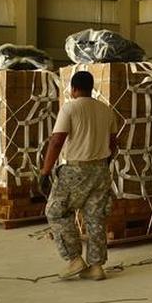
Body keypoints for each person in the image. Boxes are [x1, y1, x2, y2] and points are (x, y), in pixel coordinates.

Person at [41, 71, 117, 281]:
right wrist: (103, 163)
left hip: (76, 170)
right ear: (90, 88)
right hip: (101, 170)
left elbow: (57, 141)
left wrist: (45, 171)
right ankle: (96, 267)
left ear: (73, 89)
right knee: (95, 218)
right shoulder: (105, 110)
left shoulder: (70, 107)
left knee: (56, 211)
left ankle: (74, 259)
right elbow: (113, 142)